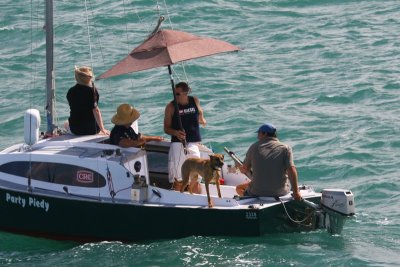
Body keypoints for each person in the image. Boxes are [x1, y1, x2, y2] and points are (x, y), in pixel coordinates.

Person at [235, 123, 302, 201]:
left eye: (259, 133)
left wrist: (239, 168)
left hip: (257, 192)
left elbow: (245, 169)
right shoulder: (285, 148)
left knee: (239, 188)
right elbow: (291, 170)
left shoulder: (253, 147)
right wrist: (296, 192)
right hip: (281, 192)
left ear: (265, 133)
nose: (257, 136)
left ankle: (249, 200)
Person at [164, 82, 206, 192]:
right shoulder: (171, 107)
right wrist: (175, 132)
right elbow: (166, 128)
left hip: (192, 143)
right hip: (178, 143)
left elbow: (200, 111)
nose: (175, 96)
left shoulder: (194, 100)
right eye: (174, 93)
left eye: (177, 94)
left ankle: (196, 201)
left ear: (185, 93)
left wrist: (202, 119)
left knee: (196, 176)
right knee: (178, 179)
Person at [66, 66, 109, 135]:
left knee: (66, 123)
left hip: (76, 130)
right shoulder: (92, 91)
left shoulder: (70, 91)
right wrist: (102, 129)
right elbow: (96, 110)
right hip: (92, 130)